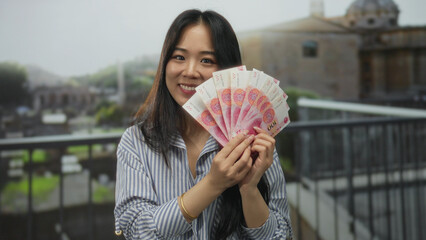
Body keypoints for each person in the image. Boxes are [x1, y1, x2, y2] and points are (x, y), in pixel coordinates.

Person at [114, 9, 293, 239]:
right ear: (164, 63)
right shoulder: (136, 142)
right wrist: (212, 184)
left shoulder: (255, 141)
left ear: (228, 72)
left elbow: (281, 234)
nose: (190, 72)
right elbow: (136, 230)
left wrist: (249, 188)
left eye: (207, 60)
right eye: (179, 57)